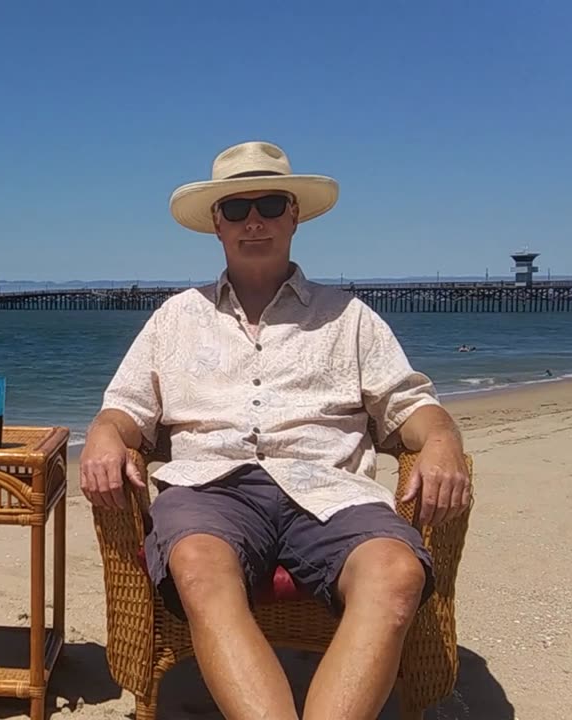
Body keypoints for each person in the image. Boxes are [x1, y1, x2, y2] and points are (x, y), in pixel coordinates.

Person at [80, 141, 472, 720]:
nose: (253, 220)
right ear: (217, 225)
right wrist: (103, 434)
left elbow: (411, 407)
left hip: (332, 490)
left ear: (294, 214)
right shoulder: (175, 317)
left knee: (395, 575)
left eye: (268, 204)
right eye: (236, 209)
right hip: (212, 489)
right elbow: (123, 411)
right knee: (197, 565)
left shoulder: (350, 316)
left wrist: (443, 441)